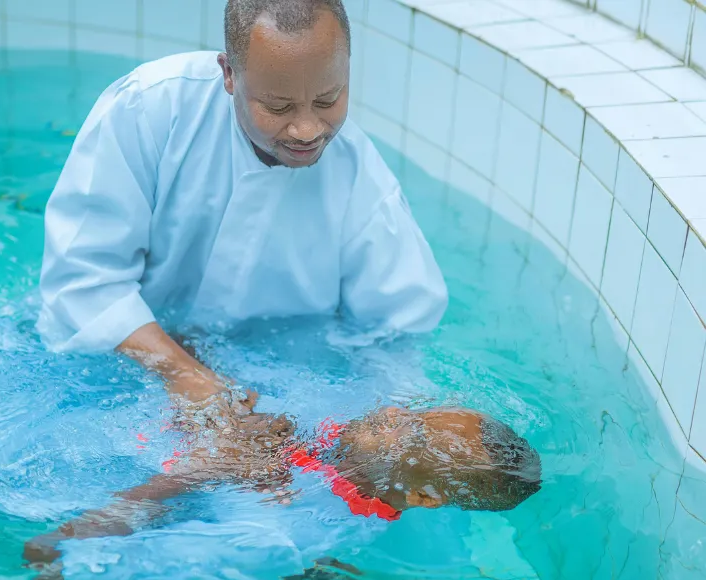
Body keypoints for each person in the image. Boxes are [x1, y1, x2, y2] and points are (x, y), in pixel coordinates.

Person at [37, 0, 448, 426]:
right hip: (111, 369)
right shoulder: (147, 109)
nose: (307, 129)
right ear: (229, 74)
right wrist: (183, 373)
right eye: (278, 107)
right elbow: (81, 281)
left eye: (328, 99)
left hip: (276, 389)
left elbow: (398, 337)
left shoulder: (364, 183)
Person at [24, 405, 541, 580]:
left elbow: (57, 564)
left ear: (425, 496)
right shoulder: (343, 453)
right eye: (419, 413)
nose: (393, 413)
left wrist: (201, 468)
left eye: (413, 435)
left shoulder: (273, 538)